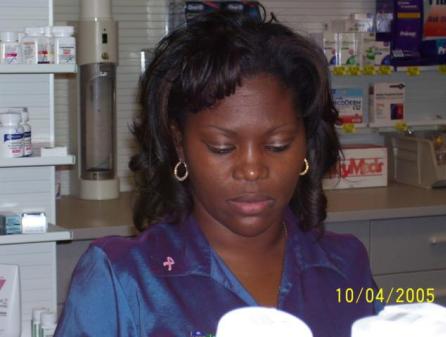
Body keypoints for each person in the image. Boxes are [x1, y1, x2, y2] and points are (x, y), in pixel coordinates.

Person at [55, 10, 381, 337]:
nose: (252, 170)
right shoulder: (122, 279)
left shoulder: (346, 264)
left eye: (278, 145)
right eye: (222, 147)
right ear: (179, 145)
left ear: (305, 147)